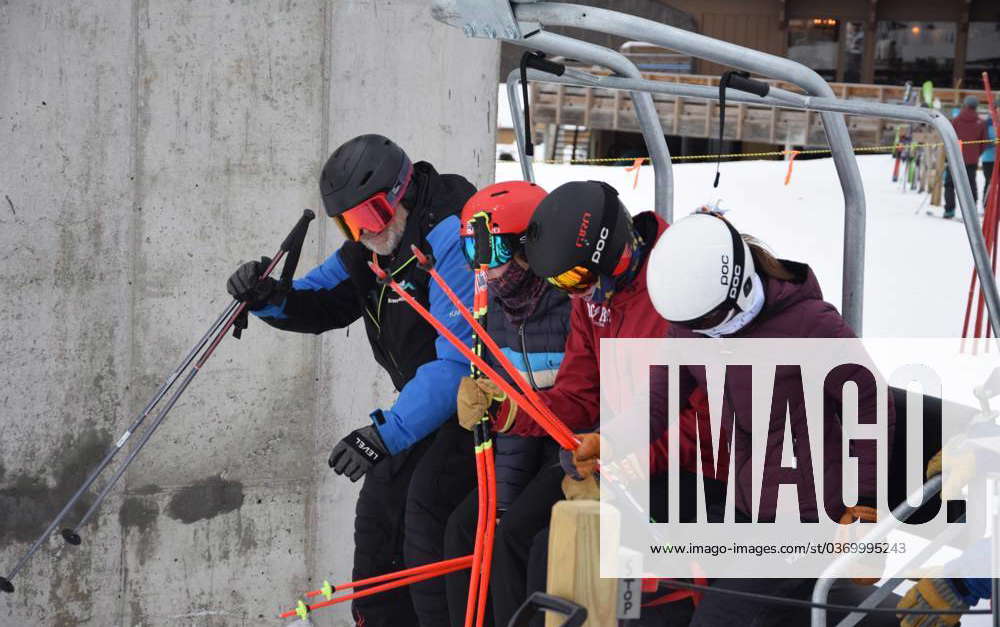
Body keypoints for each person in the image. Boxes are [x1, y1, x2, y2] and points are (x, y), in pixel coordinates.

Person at [226, 134, 476, 626]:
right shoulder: (374, 248)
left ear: (401, 192)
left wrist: (382, 434)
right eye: (350, 224)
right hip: (422, 408)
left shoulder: (451, 235)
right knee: (380, 515)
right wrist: (269, 296)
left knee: (424, 515)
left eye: (372, 217)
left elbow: (457, 362)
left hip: (475, 407)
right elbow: (321, 296)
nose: (363, 234)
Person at [460, 181, 702, 626]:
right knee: (510, 535)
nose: (574, 294)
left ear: (617, 253)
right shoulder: (593, 298)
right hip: (608, 452)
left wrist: (622, 458)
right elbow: (577, 393)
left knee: (551, 553)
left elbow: (702, 421)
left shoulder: (675, 289)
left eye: (576, 279)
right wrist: (509, 410)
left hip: (674, 465)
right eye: (560, 284)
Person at [642, 211, 898, 626]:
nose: (701, 335)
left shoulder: (807, 325)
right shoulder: (694, 328)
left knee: (718, 618)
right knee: (655, 590)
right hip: (746, 505)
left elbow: (867, 397)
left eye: (707, 323)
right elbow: (658, 397)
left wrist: (864, 505)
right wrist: (608, 442)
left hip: (809, 519)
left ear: (739, 288)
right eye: (690, 327)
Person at [441, 180, 572, 627]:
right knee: (468, 526)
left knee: (515, 537)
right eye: (470, 251)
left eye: (491, 251)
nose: (483, 268)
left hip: (577, 450)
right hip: (530, 445)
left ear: (528, 248)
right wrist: (500, 502)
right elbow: (515, 427)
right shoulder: (496, 312)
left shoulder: (570, 304)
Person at [944, 96, 987, 218]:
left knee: (950, 184)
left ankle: (949, 209)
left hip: (955, 158)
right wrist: (976, 154)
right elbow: (984, 143)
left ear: (965, 105)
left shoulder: (956, 121)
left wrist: (950, 154)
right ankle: (971, 211)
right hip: (971, 160)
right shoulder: (981, 123)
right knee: (970, 184)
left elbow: (949, 138)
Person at [983, 116, 995, 201]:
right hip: (988, 159)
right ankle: (986, 204)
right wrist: (993, 144)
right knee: (989, 182)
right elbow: (983, 140)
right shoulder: (986, 123)